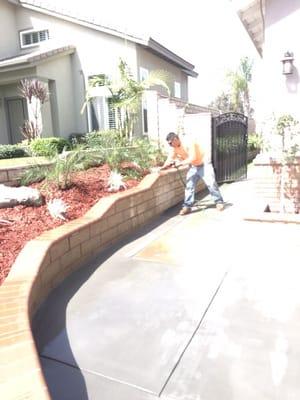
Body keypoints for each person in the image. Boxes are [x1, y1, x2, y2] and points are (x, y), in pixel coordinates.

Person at [160, 132, 224, 215]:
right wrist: (163, 167)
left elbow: (192, 157)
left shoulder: (189, 142)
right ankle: (187, 206)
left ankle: (219, 202)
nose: (170, 146)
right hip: (194, 167)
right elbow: (170, 158)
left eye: (170, 143)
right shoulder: (174, 148)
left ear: (175, 139)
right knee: (189, 186)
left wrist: (180, 163)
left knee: (211, 184)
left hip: (204, 164)